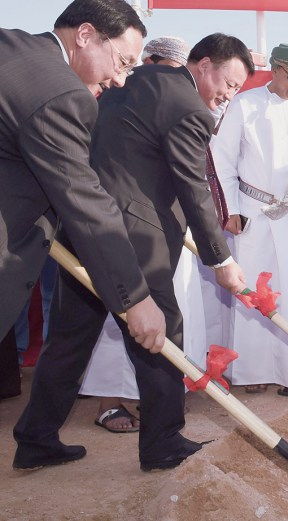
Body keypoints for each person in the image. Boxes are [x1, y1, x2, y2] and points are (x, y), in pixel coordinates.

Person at [14, 33, 251, 473]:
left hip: (84, 228)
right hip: (135, 244)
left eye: (236, 88)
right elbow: (193, 186)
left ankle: (36, 438)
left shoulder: (135, 78)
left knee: (69, 340)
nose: (227, 94)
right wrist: (220, 259)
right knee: (161, 335)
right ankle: (162, 442)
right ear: (202, 65)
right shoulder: (188, 107)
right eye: (228, 82)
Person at [0, 0, 171, 468]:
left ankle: (38, 441)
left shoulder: (15, 49)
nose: (119, 79)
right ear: (86, 35)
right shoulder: (63, 94)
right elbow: (86, 205)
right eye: (121, 61)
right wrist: (135, 300)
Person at [79, 35, 210, 434]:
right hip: (126, 235)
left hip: (155, 229)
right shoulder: (111, 94)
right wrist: (219, 256)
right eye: (161, 72)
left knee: (79, 334)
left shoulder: (176, 102)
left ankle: (38, 434)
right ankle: (155, 433)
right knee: (151, 328)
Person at [215, 43, 288, 400]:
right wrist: (230, 208)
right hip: (253, 211)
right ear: (276, 70)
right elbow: (223, 158)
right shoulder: (245, 104)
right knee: (251, 292)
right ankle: (252, 371)